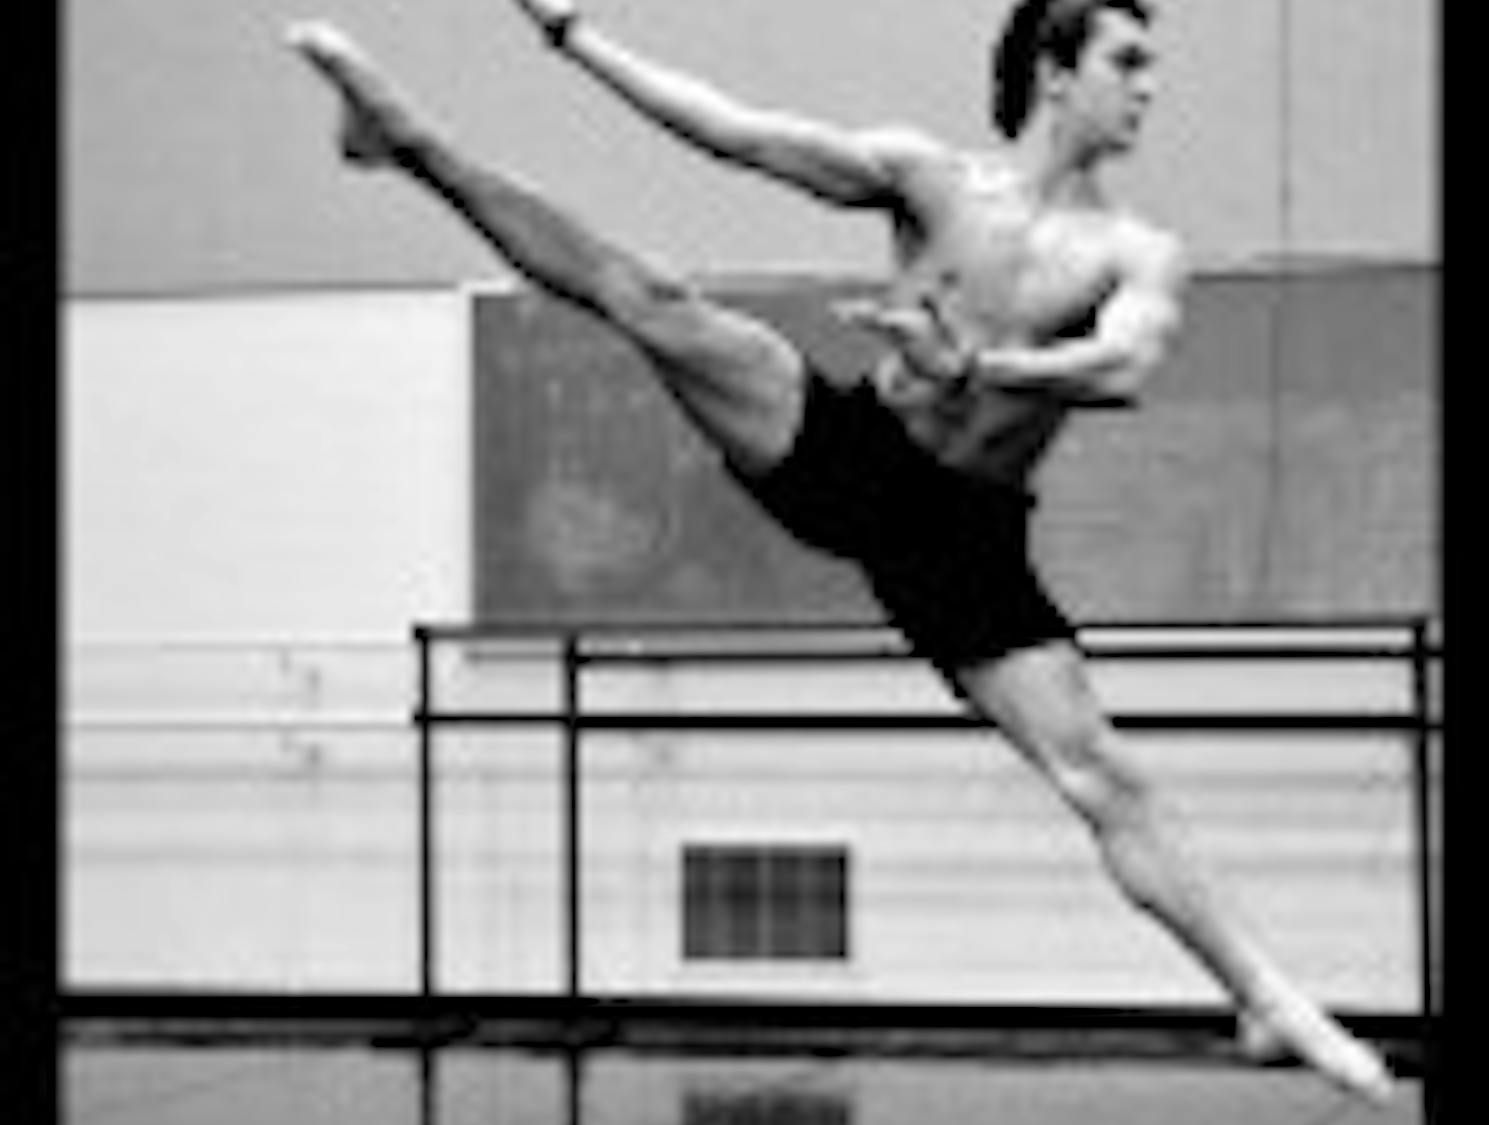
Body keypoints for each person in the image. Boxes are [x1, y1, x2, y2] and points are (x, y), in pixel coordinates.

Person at [285, 0, 1394, 1102]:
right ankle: (409, 145)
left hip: (961, 533)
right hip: (851, 456)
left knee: (1100, 772)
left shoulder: (1134, 252)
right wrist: (574, 38)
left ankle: (1266, 997)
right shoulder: (930, 180)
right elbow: (730, 130)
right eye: (1129, 61)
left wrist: (983, 369)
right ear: (1057, 72)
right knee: (649, 297)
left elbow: (1123, 366)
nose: (1149, 87)